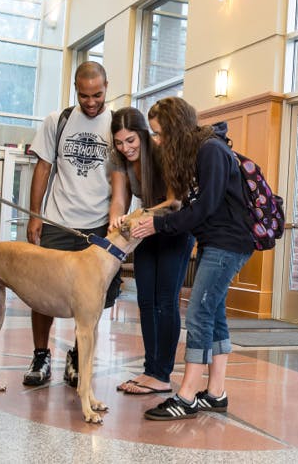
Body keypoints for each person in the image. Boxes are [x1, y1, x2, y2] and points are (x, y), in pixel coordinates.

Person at [131, 96, 254, 421]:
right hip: (217, 242)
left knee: (198, 314)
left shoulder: (211, 150)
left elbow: (205, 207)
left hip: (228, 243)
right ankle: (215, 394)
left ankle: (185, 396)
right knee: (213, 314)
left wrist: (160, 225)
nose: (156, 141)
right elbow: (197, 207)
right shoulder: (199, 151)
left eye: (159, 134)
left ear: (175, 129)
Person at [23, 61, 119, 388]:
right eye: (84, 95)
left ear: (107, 86)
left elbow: (124, 178)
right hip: (57, 222)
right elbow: (42, 169)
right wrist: (35, 216)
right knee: (42, 294)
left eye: (97, 95)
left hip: (99, 230)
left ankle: (77, 358)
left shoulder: (117, 124)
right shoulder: (59, 121)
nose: (90, 102)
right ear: (75, 89)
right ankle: (40, 354)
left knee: (92, 301)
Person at [108, 107, 194, 395]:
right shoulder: (120, 159)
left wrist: (140, 215)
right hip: (146, 231)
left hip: (173, 229)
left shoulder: (160, 151)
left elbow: (174, 201)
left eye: (131, 141)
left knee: (165, 301)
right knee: (145, 300)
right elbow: (120, 199)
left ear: (143, 134)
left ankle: (162, 374)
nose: (125, 148)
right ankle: (150, 370)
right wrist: (117, 219)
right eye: (119, 142)